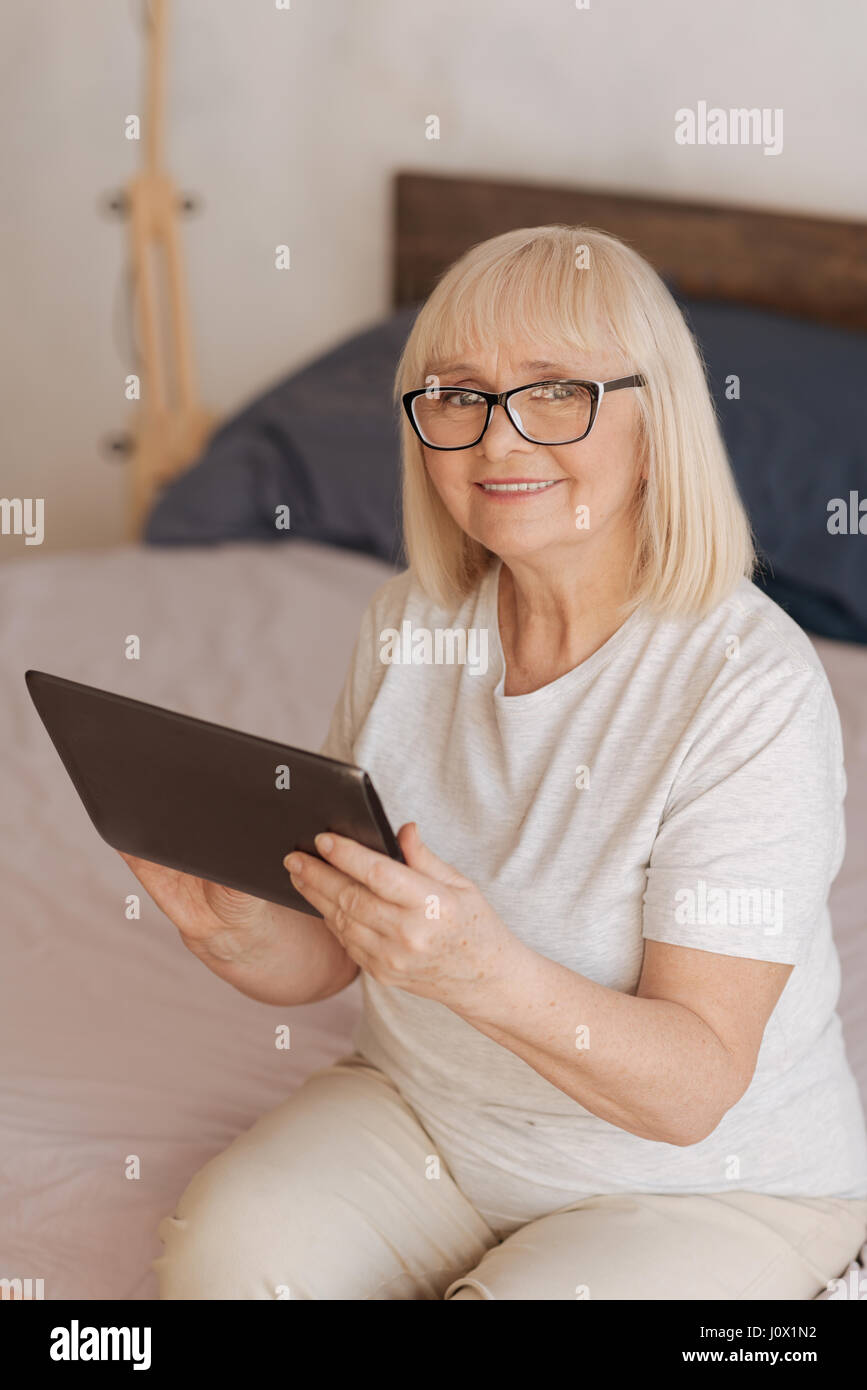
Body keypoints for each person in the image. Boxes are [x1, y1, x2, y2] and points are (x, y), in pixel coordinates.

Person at [123, 225, 867, 1300]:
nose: (498, 439)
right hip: (428, 1116)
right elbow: (330, 953)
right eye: (457, 396)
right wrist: (232, 931)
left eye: (556, 391)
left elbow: (693, 1089)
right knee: (224, 1272)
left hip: (701, 1182)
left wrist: (484, 972)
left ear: (656, 424)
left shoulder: (749, 686)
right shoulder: (408, 625)